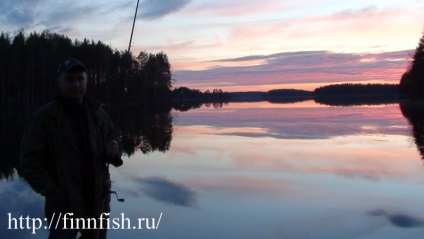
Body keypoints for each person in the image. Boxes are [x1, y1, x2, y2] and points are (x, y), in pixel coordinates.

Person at [20, 58, 123, 238]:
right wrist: (52, 191)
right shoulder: (43, 118)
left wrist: (114, 151)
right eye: (69, 79)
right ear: (59, 82)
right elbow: (29, 162)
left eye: (80, 79)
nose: (76, 84)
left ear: (86, 81)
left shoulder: (97, 112)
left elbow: (113, 140)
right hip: (62, 206)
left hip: (97, 202)